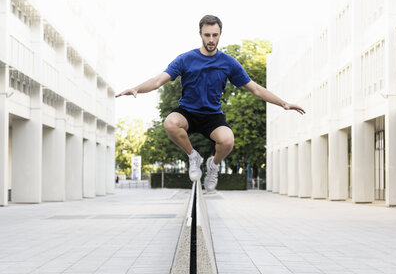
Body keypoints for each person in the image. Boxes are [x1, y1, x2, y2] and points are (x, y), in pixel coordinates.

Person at [116, 15, 305, 192]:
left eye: (215, 35)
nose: (211, 39)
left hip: (212, 115)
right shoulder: (185, 59)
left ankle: (213, 167)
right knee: (170, 123)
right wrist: (136, 89)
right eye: (207, 35)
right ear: (200, 35)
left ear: (220, 35)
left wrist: (283, 103)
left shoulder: (228, 63)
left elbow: (255, 89)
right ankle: (193, 156)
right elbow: (158, 80)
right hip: (187, 112)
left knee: (228, 140)